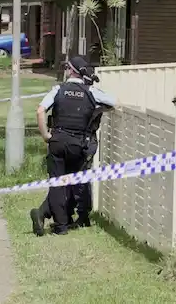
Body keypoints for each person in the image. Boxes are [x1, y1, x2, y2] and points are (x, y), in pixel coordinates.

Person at [30, 56, 116, 236]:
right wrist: (97, 108)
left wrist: (46, 135)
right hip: (79, 144)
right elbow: (112, 102)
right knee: (72, 181)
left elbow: (40, 110)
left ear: (70, 71)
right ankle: (65, 217)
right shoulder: (90, 91)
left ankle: (60, 225)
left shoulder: (58, 90)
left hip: (58, 140)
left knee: (57, 184)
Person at [65, 70, 107, 229]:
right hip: (78, 140)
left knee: (81, 179)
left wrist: (99, 109)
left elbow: (111, 102)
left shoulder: (94, 95)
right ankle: (70, 213)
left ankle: (82, 215)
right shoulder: (87, 96)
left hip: (86, 141)